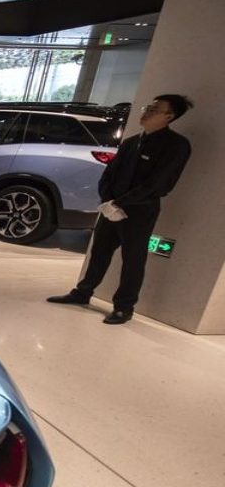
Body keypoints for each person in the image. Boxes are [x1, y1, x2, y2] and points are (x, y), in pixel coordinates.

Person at [47, 94, 194, 325]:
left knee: (133, 259)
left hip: (140, 211)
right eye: (148, 107)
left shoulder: (176, 145)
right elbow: (109, 174)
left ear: (169, 116)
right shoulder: (131, 142)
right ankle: (83, 292)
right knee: (99, 252)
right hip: (111, 207)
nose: (147, 112)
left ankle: (124, 307)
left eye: (155, 109)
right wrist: (108, 200)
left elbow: (159, 183)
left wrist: (121, 202)